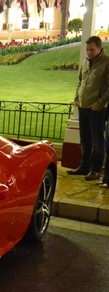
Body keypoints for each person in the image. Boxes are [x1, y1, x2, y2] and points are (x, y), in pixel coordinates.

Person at [69, 36, 109, 182]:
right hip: (83, 107)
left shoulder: (106, 63)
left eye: (92, 50)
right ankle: (84, 166)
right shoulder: (85, 63)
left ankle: (95, 170)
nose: (89, 53)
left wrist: (98, 104)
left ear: (99, 48)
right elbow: (80, 83)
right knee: (85, 140)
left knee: (98, 142)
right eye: (87, 50)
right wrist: (77, 100)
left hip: (97, 109)